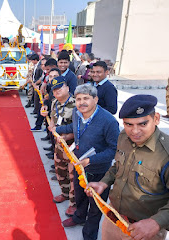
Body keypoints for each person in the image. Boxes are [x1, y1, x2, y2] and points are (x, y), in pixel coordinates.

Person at [87, 94, 169, 240]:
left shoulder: (166, 153)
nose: (135, 131)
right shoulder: (124, 136)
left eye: (143, 124)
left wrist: (156, 222)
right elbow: (117, 167)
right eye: (128, 124)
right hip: (113, 218)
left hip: (144, 230)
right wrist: (103, 183)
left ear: (156, 119)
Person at [54, 83, 119, 240]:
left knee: (96, 205)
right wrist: (58, 129)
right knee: (80, 195)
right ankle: (79, 217)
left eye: (86, 98)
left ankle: (89, 234)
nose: (81, 102)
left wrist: (91, 160)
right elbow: (74, 127)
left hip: (99, 171)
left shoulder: (108, 121)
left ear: (95, 99)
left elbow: (113, 150)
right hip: (79, 166)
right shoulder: (77, 113)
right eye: (78, 99)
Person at [41, 76, 77, 216]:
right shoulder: (55, 102)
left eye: (60, 88)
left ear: (67, 87)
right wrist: (49, 122)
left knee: (73, 175)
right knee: (60, 171)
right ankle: (65, 193)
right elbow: (54, 120)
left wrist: (68, 136)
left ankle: (73, 203)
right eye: (54, 89)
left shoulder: (75, 104)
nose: (57, 92)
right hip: (59, 144)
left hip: (72, 146)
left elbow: (78, 127)